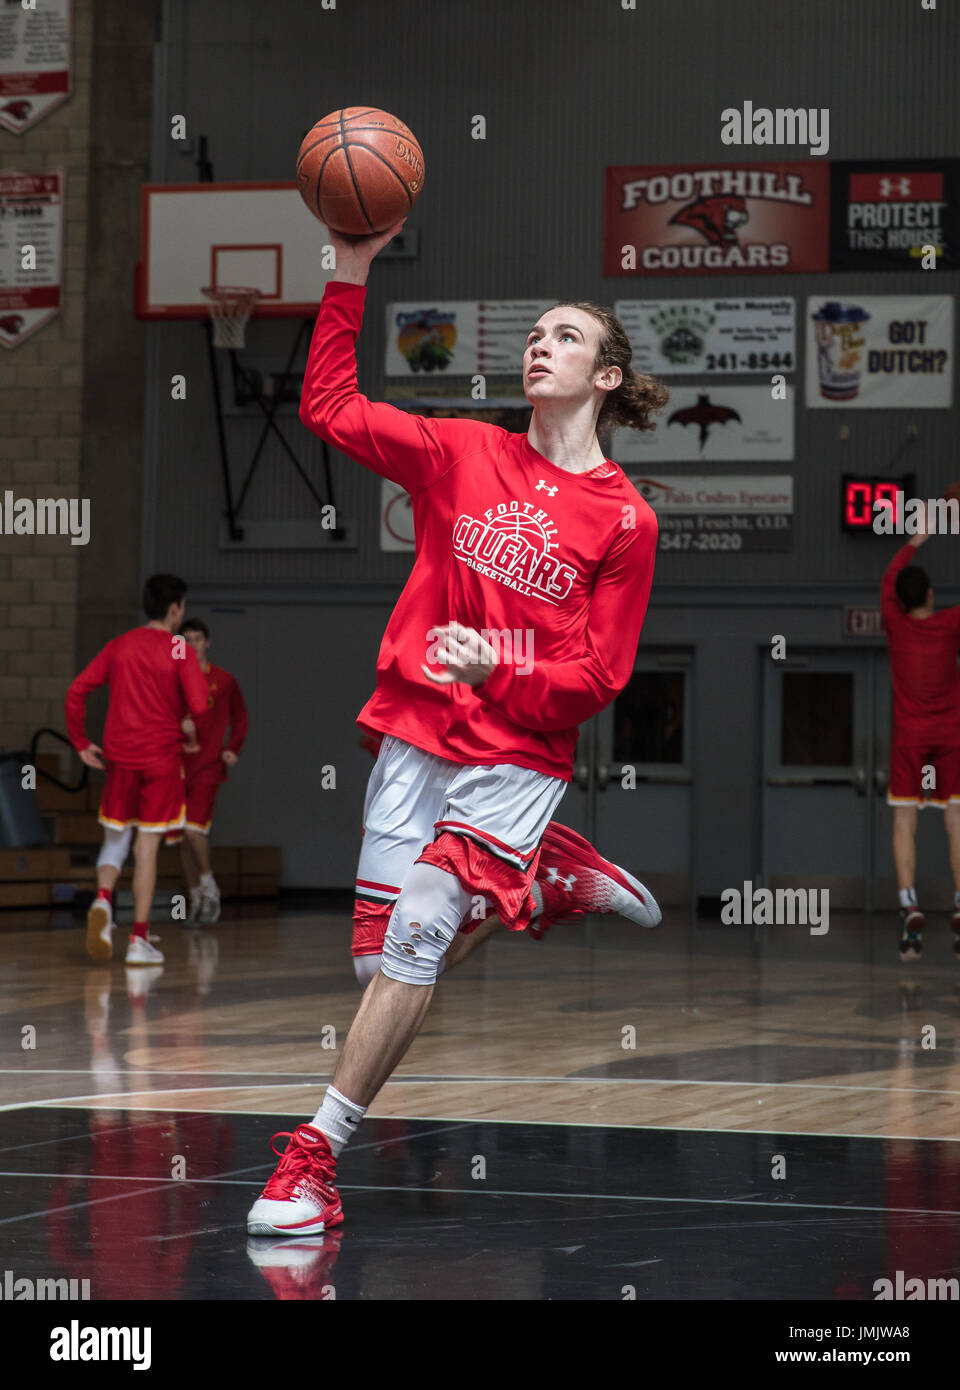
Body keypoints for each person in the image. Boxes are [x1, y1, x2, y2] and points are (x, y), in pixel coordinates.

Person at [246, 218, 666, 1237]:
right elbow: (330, 406)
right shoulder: (460, 452)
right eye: (534, 335)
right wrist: (348, 272)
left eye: (565, 337)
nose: (540, 346)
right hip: (418, 730)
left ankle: (310, 1163)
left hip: (518, 749)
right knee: (380, 967)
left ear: (606, 376)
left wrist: (507, 664)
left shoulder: (624, 522)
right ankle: (545, 877)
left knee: (424, 929)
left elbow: (600, 674)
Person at [351, 729, 662, 988]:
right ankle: (535, 886)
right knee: (373, 964)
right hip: (405, 730)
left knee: (399, 957)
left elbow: (595, 677)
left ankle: (527, 880)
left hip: (476, 733)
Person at [65, 574, 209, 966]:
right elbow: (199, 705)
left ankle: (103, 900)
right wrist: (181, 715)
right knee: (147, 849)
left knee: (115, 838)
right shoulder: (179, 649)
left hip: (118, 758)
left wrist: (80, 742)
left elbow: (77, 691)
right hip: (160, 760)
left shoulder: (119, 645)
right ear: (176, 608)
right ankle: (138, 940)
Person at [881, 512, 960, 960]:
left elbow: (890, 577)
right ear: (930, 595)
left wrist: (916, 538)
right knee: (955, 820)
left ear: (898, 601)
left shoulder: (895, 624)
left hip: (910, 740)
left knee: (904, 821)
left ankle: (909, 904)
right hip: (950, 736)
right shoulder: (950, 624)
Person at [164, 618, 249, 924]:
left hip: (208, 764)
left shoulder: (223, 680)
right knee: (180, 838)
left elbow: (241, 717)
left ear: (207, 642)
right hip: (176, 766)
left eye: (197, 639)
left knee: (193, 830)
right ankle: (196, 895)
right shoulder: (172, 680)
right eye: (186, 639)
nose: (192, 644)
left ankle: (209, 885)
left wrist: (233, 748)